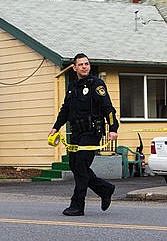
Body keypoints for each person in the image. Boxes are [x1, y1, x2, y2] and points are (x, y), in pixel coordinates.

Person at [49, 53, 119, 216]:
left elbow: (108, 108)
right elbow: (65, 110)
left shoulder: (96, 84)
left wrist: (113, 128)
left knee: (80, 166)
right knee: (75, 166)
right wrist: (56, 127)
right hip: (76, 133)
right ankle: (105, 189)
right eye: (81, 64)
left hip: (92, 132)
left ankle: (77, 205)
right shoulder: (72, 87)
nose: (84, 66)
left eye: (86, 64)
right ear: (74, 68)